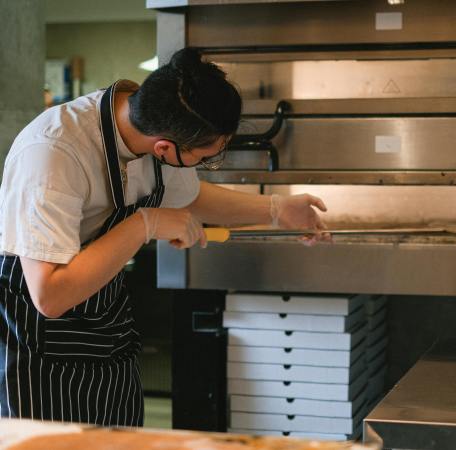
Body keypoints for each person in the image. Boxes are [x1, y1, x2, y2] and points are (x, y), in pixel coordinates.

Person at [0, 47, 327, 426]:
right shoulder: (54, 152)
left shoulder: (155, 120)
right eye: (205, 157)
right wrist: (146, 223)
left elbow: (192, 196)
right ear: (164, 148)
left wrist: (275, 210)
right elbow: (50, 295)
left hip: (105, 330)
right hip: (35, 343)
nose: (205, 165)